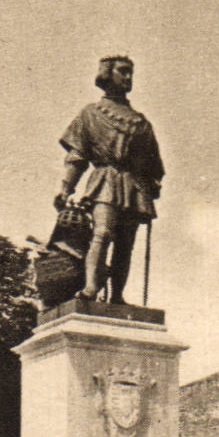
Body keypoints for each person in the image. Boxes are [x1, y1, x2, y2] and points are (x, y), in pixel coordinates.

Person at [54, 55, 164, 305]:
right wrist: (65, 187)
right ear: (107, 74)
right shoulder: (91, 113)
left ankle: (117, 296)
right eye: (122, 71)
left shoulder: (141, 121)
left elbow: (152, 163)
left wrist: (153, 183)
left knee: (126, 245)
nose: (128, 77)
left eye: (130, 73)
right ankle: (91, 287)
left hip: (134, 186)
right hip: (105, 180)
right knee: (102, 233)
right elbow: (78, 154)